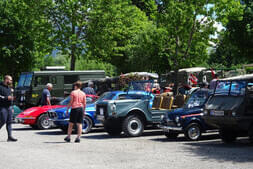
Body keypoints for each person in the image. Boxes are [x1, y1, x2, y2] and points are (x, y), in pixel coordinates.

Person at [0, 75, 17, 142]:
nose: (11, 81)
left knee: (9, 122)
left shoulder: (9, 88)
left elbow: (11, 98)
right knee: (2, 121)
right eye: (10, 80)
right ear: (6, 79)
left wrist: (12, 107)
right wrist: (7, 98)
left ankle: (9, 137)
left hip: (9, 107)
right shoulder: (0, 87)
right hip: (2, 107)